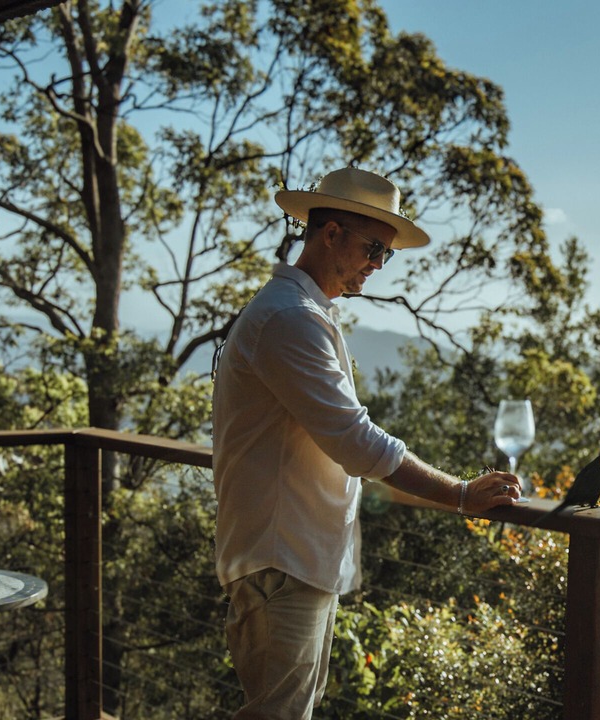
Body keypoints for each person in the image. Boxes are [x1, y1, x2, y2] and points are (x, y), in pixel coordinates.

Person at [212, 166, 523, 719]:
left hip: (287, 557)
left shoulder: (301, 313)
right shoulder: (291, 319)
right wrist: (459, 494)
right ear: (330, 233)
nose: (379, 264)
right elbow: (357, 442)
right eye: (374, 247)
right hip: (282, 560)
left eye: (387, 253)